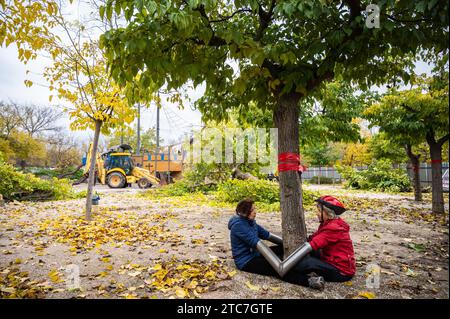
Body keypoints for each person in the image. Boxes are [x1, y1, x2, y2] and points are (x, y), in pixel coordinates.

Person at [228, 196, 355, 289]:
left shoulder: (250, 222)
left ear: (326, 213)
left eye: (317, 210)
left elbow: (266, 235)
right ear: (246, 212)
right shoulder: (240, 226)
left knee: (282, 251)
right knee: (275, 268)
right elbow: (259, 244)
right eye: (253, 209)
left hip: (339, 267)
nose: (256, 211)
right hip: (246, 261)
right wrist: (280, 265)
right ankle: (309, 281)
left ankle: (287, 264)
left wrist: (288, 245)